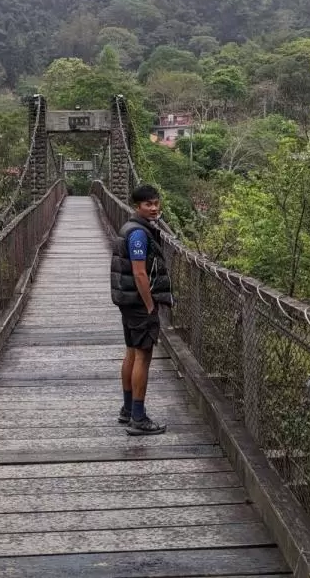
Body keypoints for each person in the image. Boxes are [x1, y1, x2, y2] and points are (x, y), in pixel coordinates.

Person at [110, 183, 173, 436]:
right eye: (148, 204)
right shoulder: (138, 234)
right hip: (138, 303)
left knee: (132, 354)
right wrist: (149, 306)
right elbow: (139, 272)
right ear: (138, 206)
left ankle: (127, 410)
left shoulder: (132, 227)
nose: (154, 208)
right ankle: (138, 417)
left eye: (157, 203)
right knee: (143, 357)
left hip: (127, 302)